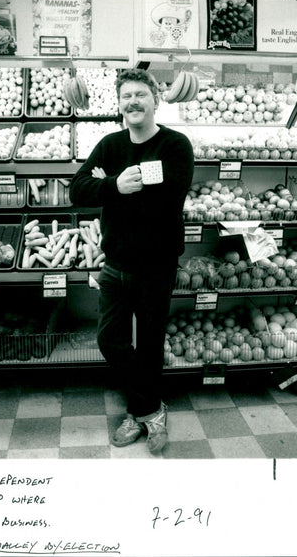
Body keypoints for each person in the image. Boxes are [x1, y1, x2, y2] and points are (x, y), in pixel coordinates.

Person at [69, 68, 194, 453]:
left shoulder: (176, 145)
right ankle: (149, 406)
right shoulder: (109, 144)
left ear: (156, 100)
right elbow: (78, 190)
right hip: (115, 265)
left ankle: (140, 411)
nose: (133, 102)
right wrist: (114, 185)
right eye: (127, 96)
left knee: (151, 342)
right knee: (110, 340)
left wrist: (114, 190)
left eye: (141, 94)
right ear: (119, 104)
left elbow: (168, 200)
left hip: (156, 266)